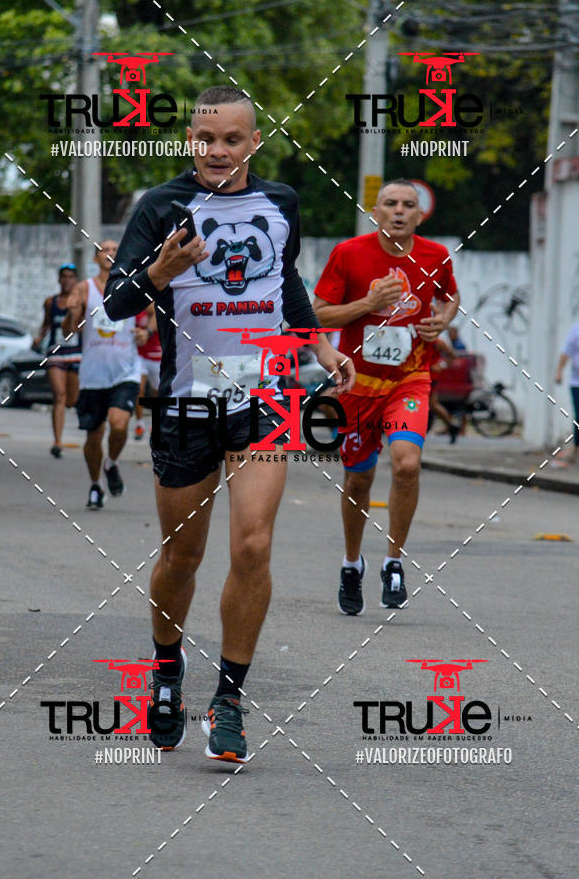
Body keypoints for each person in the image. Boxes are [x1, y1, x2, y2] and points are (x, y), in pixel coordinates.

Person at [104, 86, 354, 761]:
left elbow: (287, 281)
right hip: (186, 403)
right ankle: (164, 669)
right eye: (205, 139)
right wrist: (163, 266)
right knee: (182, 557)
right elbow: (117, 302)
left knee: (252, 545)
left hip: (265, 398)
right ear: (190, 139)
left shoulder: (282, 203)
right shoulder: (160, 206)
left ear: (254, 142)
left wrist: (321, 345)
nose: (218, 151)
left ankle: (230, 698)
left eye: (232, 140)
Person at [313, 178, 460, 615]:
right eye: (390, 204)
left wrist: (443, 320)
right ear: (375, 212)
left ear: (419, 215)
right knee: (358, 479)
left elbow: (450, 296)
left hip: (410, 381)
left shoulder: (435, 255)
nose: (398, 211)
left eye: (407, 205)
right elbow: (318, 313)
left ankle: (394, 562)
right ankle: (352, 563)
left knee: (407, 463)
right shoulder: (349, 254)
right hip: (358, 385)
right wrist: (368, 302)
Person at [63, 240, 147, 509]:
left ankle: (111, 462)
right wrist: (72, 313)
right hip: (93, 374)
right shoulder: (83, 288)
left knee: (120, 423)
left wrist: (147, 332)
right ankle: (96, 485)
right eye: (104, 250)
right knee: (93, 435)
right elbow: (69, 331)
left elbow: (153, 313)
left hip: (126, 370)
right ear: (96, 257)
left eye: (114, 250)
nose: (110, 253)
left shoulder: (132, 285)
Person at [34, 263, 82, 458]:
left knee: (72, 399)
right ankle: (57, 441)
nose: (67, 280)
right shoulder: (50, 302)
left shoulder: (81, 302)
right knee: (59, 395)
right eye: (64, 276)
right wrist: (39, 337)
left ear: (76, 280)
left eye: (71, 276)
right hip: (55, 352)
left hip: (76, 352)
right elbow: (46, 324)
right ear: (59, 279)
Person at [133, 303, 161, 440]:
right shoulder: (135, 309)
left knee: (157, 393)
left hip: (156, 354)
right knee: (139, 388)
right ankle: (139, 423)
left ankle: (156, 424)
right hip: (140, 355)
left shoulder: (156, 305)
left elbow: (154, 311)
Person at [554, 321, 579, 466]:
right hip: (577, 383)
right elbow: (566, 352)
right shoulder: (576, 330)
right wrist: (559, 372)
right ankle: (576, 448)